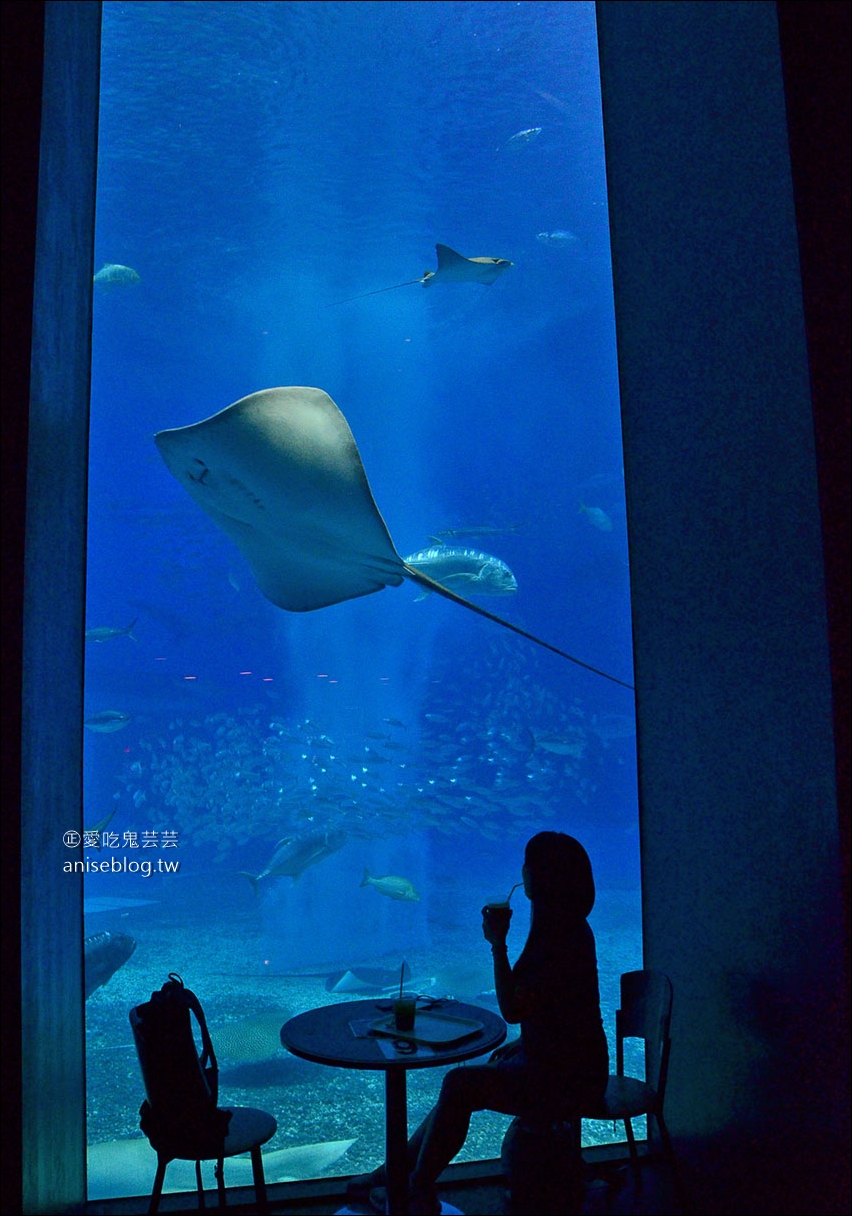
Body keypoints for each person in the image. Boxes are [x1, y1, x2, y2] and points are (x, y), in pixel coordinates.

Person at [347, 831, 609, 1215]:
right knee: (470, 1081)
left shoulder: (559, 939)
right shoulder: (565, 928)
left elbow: (513, 1008)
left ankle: (414, 1190)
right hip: (573, 1065)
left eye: (529, 863)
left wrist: (497, 943)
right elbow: (562, 1012)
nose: (522, 870)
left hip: (569, 1080)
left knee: (459, 1084)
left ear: (543, 876)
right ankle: (394, 1172)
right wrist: (529, 1043)